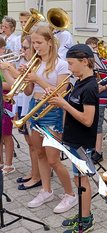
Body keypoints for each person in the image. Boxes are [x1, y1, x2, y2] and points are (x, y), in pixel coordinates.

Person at [23, 25, 77, 213]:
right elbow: (28, 92)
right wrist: (26, 78)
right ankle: (46, 190)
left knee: (53, 158)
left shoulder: (61, 64)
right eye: (34, 43)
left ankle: (70, 194)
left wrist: (37, 79)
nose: (35, 46)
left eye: (39, 42)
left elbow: (60, 94)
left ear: (50, 42)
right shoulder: (35, 63)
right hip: (34, 108)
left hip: (52, 112)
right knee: (39, 154)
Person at [49, 44, 98, 232]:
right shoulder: (79, 82)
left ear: (84, 61)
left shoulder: (90, 87)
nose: (68, 67)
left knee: (82, 181)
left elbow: (87, 120)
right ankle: (81, 213)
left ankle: (86, 219)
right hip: (74, 140)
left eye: (71, 63)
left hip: (82, 143)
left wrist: (64, 104)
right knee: (78, 180)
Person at [0, 35, 42, 190]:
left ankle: (38, 176)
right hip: (22, 106)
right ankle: (34, 172)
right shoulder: (25, 63)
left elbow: (26, 86)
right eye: (22, 47)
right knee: (30, 144)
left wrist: (9, 68)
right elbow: (15, 87)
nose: (21, 51)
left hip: (32, 107)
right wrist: (5, 70)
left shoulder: (35, 65)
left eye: (25, 48)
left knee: (35, 145)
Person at [0, 37, 15, 175]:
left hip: (6, 99)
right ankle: (0, 162)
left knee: (6, 133)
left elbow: (12, 85)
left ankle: (9, 164)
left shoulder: (8, 63)